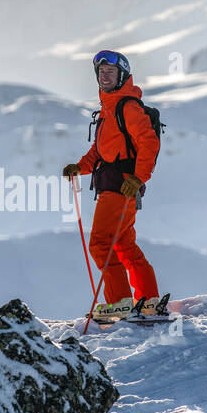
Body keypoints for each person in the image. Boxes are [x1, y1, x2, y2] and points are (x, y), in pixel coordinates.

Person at [63, 50, 167, 318]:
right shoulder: (108, 112)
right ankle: (148, 302)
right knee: (123, 245)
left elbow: (148, 143)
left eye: (110, 72)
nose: (104, 76)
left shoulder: (127, 107)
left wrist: (138, 177)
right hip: (117, 185)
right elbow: (99, 151)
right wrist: (80, 167)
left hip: (121, 187)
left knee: (100, 243)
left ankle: (119, 304)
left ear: (122, 76)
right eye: (101, 72)